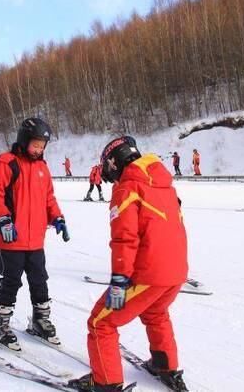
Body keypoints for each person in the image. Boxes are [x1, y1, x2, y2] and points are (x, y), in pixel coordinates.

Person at [70, 136, 188, 392]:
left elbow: (125, 238)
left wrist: (120, 280)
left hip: (148, 274)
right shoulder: (165, 185)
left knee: (101, 322)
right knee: (156, 313)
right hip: (175, 272)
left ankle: (106, 382)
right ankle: (164, 364)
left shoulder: (128, 188)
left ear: (114, 164)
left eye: (110, 174)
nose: (112, 180)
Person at [0, 117, 69, 350]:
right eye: (35, 145)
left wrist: (58, 218)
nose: (39, 150)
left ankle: (41, 320)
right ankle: (0, 324)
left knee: (39, 280)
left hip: (35, 240)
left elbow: (48, 199)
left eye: (42, 146)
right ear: (24, 141)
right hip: (11, 237)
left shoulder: (42, 168)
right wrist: (2, 217)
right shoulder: (8, 163)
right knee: (11, 281)